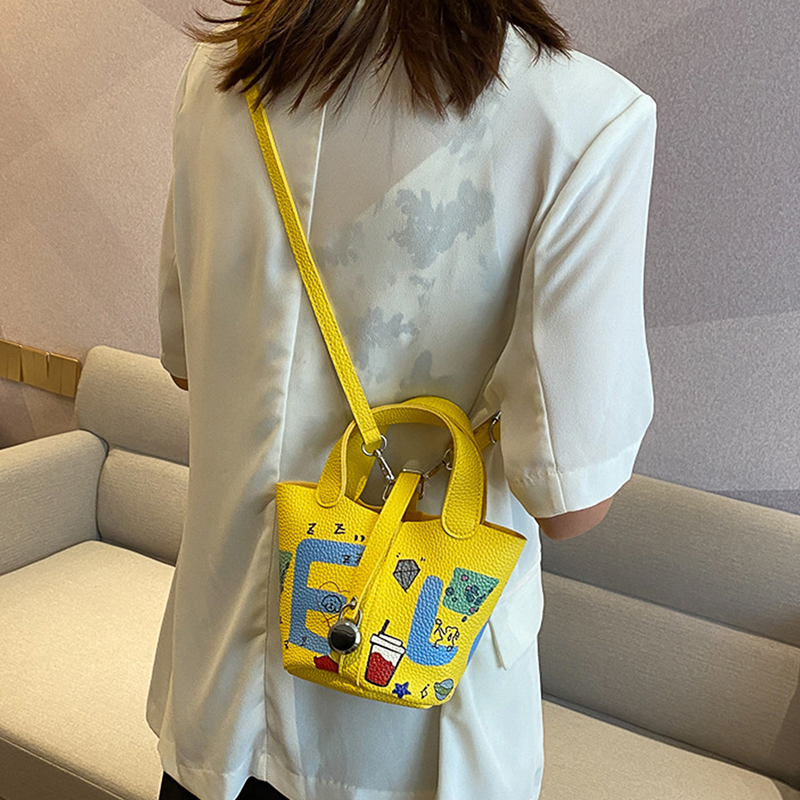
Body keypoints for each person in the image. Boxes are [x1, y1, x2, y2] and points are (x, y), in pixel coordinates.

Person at [150, 1, 658, 799]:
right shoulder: (584, 122)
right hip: (418, 729)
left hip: (218, 698)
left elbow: (187, 365)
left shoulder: (219, 78)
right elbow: (571, 502)